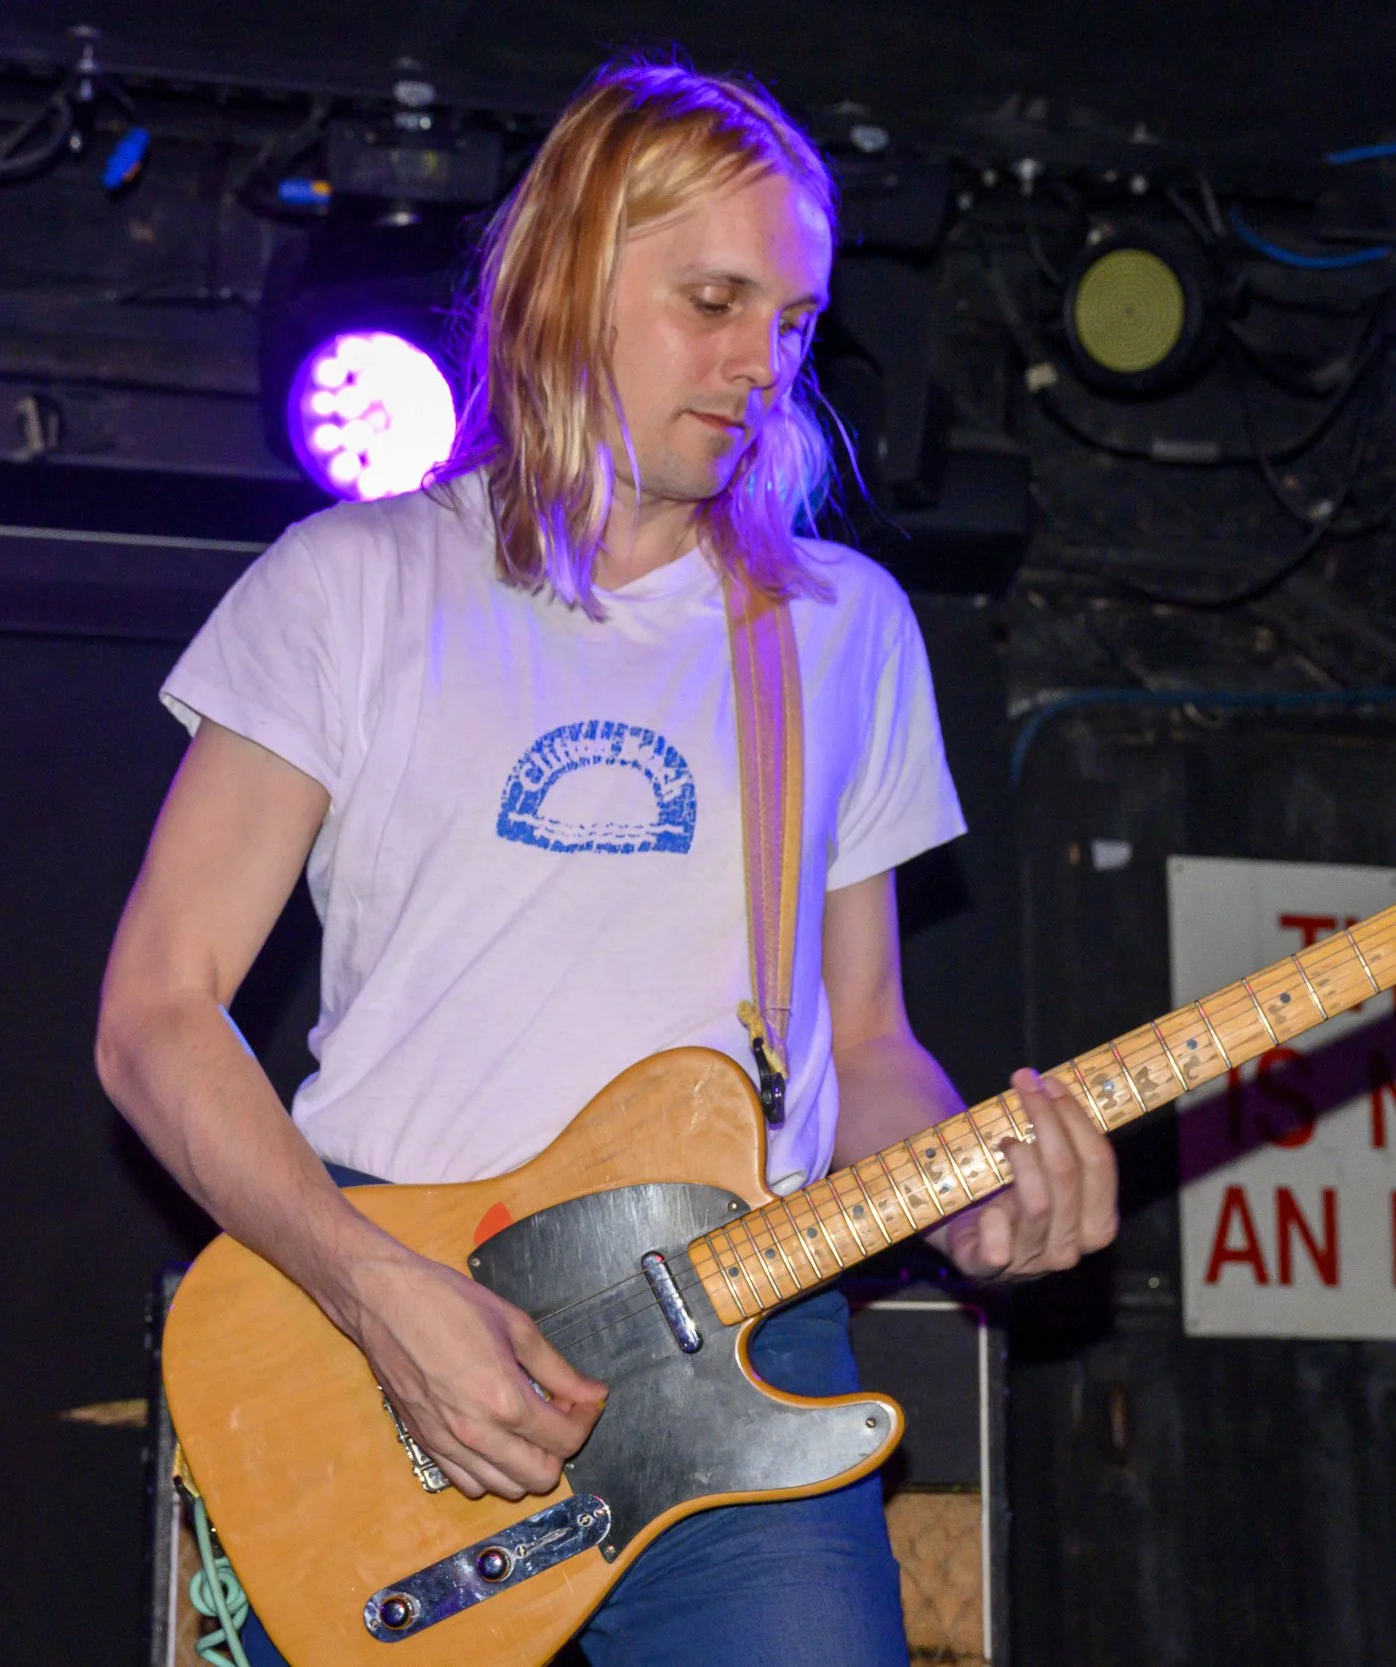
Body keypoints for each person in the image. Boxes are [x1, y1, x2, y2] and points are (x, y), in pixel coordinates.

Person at [94, 57, 1119, 1666]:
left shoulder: (840, 632)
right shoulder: (354, 580)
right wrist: (372, 1288)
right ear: (572, 275)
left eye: (791, 321)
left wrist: (981, 1195)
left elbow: (864, 1044)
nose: (759, 363)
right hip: (387, 1313)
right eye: (712, 299)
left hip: (742, 1330)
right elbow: (156, 1010)